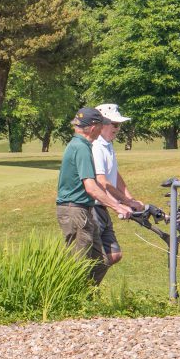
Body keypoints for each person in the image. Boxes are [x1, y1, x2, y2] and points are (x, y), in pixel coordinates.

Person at [55, 106, 132, 284]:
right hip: (75, 210)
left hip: (82, 209)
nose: (103, 128)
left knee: (100, 262)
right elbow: (92, 187)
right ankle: (71, 297)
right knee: (79, 264)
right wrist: (118, 206)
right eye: (101, 124)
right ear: (92, 127)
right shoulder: (81, 148)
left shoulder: (82, 145)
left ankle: (86, 296)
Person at [90, 103, 146, 276]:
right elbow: (102, 181)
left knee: (114, 254)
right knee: (90, 256)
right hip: (93, 206)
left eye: (119, 124)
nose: (117, 128)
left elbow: (115, 174)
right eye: (114, 124)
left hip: (102, 206)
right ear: (102, 124)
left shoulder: (107, 145)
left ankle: (90, 286)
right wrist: (123, 202)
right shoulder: (96, 146)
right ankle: (84, 288)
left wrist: (130, 199)